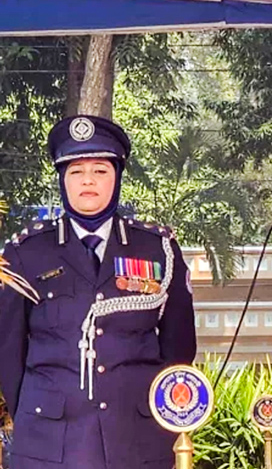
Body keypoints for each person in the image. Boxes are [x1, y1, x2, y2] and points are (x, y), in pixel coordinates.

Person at [0, 115, 196, 469]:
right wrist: (36, 416)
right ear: (62, 180)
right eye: (76, 171)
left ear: (117, 177)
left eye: (100, 170)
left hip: (138, 440)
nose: (88, 181)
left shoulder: (157, 248)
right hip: (48, 445)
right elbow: (9, 352)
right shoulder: (24, 253)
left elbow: (179, 347)